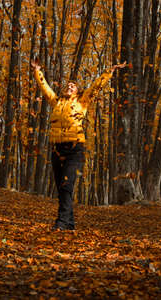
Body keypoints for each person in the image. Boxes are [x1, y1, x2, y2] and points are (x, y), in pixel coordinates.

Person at [32, 61, 127, 231]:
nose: (69, 86)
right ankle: (69, 223)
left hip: (74, 148)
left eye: (73, 86)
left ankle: (61, 223)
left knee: (67, 185)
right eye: (68, 85)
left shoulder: (82, 101)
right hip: (56, 148)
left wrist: (109, 71)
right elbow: (45, 89)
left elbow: (96, 87)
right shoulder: (57, 102)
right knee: (61, 187)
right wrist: (38, 72)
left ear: (77, 91)